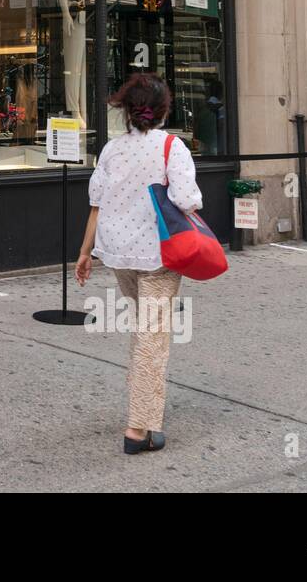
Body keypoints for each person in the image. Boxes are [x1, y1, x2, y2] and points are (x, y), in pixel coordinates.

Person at [75, 72, 203, 455]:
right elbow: (187, 200)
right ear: (163, 110)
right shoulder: (172, 148)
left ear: (128, 111)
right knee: (153, 338)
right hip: (159, 255)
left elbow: (96, 204)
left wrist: (84, 252)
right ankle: (138, 428)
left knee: (144, 330)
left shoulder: (112, 150)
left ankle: (142, 413)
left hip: (118, 253)